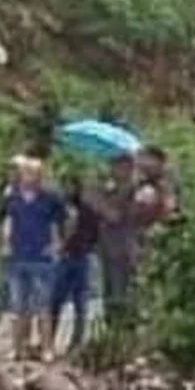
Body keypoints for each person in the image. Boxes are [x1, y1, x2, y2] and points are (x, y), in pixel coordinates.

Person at [0, 154, 69, 360]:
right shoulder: (12, 198)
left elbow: (59, 223)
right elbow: (6, 222)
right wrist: (4, 244)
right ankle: (18, 348)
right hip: (17, 256)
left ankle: (46, 347)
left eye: (31, 173)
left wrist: (57, 245)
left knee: (43, 306)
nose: (27, 177)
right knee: (18, 307)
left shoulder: (50, 198)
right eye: (24, 173)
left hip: (41, 258)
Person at [51, 175, 101, 355]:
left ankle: (76, 342)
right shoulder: (62, 208)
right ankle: (49, 339)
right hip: (67, 256)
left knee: (80, 302)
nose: (67, 189)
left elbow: (96, 232)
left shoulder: (87, 209)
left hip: (81, 255)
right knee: (56, 300)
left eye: (71, 185)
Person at [97, 152, 146, 328]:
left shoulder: (139, 191)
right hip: (107, 248)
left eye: (121, 167)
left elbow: (116, 216)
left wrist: (101, 204)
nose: (115, 170)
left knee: (125, 293)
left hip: (128, 249)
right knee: (110, 294)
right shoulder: (108, 190)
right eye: (114, 166)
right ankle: (112, 333)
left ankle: (127, 334)